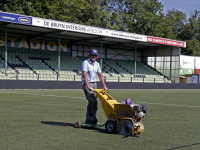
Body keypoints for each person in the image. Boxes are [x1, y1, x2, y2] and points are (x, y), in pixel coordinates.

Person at [82, 49, 108, 124]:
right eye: (92, 55)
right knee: (93, 101)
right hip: (87, 84)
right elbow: (84, 76)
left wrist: (104, 86)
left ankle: (88, 119)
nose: (93, 56)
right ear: (89, 55)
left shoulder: (97, 64)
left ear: (97, 56)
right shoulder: (85, 63)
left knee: (91, 102)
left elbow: (100, 76)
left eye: (95, 55)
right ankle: (94, 116)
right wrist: (89, 86)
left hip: (94, 84)